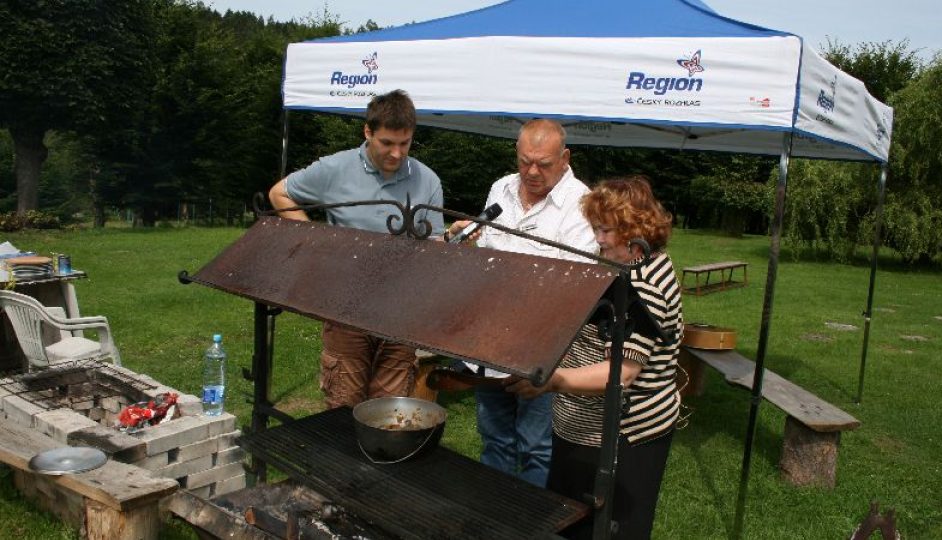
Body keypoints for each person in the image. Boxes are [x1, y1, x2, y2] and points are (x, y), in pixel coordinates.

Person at [505, 176, 684, 539]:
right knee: (569, 522)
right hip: (582, 428)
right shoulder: (624, 265)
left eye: (606, 231)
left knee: (609, 530)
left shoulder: (645, 285)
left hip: (623, 435)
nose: (598, 239)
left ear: (636, 230)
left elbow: (621, 375)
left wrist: (555, 381)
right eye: (596, 229)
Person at [268, 89, 444, 410]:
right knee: (344, 405)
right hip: (345, 306)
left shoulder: (427, 180)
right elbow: (279, 194)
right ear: (368, 132)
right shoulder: (335, 169)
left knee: (390, 410)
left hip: (401, 313)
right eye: (387, 143)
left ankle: (380, 460)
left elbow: (434, 244)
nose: (396, 153)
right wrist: (315, 243)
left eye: (404, 144)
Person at [446, 119, 597, 487]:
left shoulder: (582, 204)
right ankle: (494, 511)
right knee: (494, 436)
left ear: (565, 158)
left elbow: (572, 284)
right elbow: (485, 251)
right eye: (525, 160)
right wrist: (467, 239)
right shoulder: (501, 188)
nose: (531, 171)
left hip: (542, 343)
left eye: (543, 164)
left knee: (536, 445)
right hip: (489, 339)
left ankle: (531, 521)